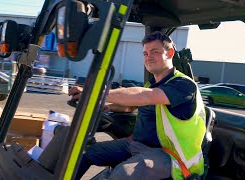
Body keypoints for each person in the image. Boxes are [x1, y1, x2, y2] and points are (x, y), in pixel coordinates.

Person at [69, 31, 206, 180]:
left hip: (171, 156)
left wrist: (94, 93)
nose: (149, 57)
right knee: (87, 153)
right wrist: (107, 107)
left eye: (155, 52)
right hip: (137, 145)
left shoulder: (183, 85)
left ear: (170, 53)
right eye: (145, 53)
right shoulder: (152, 85)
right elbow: (131, 106)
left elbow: (143, 96)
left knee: (122, 174)